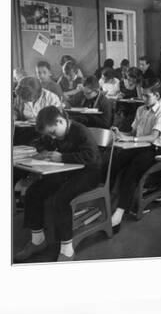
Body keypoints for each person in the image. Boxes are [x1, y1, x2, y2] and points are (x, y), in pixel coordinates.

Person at [14, 107, 102, 262]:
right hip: (67, 171)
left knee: (61, 199)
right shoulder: (55, 131)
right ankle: (37, 241)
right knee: (34, 191)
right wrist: (43, 151)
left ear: (61, 121)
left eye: (53, 133)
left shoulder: (80, 131)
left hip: (89, 173)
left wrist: (63, 157)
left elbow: (91, 156)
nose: (52, 137)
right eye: (49, 134)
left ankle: (67, 249)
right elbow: (40, 142)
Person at [110, 80, 161, 231]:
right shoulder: (141, 110)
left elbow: (152, 137)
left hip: (153, 149)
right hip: (137, 146)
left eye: (147, 96)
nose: (143, 99)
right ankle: (108, 201)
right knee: (115, 161)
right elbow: (132, 133)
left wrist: (131, 139)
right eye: (142, 95)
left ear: (157, 95)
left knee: (132, 170)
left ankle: (119, 212)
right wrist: (120, 134)